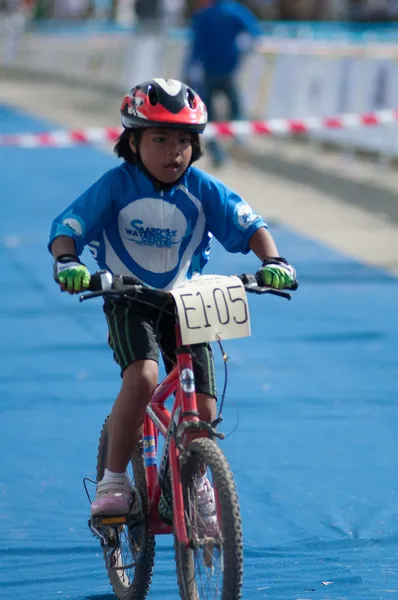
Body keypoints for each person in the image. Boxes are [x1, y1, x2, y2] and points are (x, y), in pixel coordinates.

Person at [48, 78, 296, 533]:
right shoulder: (115, 185)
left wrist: (274, 259)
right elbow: (69, 225)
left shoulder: (202, 188)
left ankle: (190, 480)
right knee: (142, 378)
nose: (174, 151)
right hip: (128, 297)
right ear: (133, 141)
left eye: (184, 140)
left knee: (202, 408)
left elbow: (251, 224)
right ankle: (113, 481)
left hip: (190, 299)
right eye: (160, 139)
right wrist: (67, 261)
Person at [187, 0, 262, 167]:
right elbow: (255, 33)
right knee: (236, 108)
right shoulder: (235, 11)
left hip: (209, 71)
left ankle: (217, 153)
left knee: (209, 115)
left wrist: (191, 69)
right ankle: (239, 139)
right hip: (230, 70)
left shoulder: (204, 14)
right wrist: (242, 50)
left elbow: (195, 46)